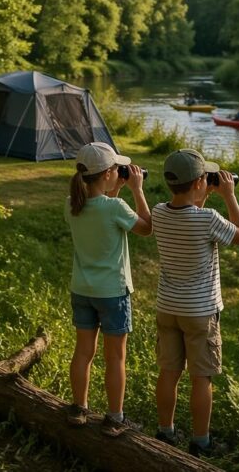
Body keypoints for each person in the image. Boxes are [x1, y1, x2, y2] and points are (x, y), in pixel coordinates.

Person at [151, 149, 239, 456]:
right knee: (201, 377)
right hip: (200, 312)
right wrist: (229, 195)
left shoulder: (158, 212)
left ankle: (165, 432)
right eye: (204, 179)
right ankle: (201, 441)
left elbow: (188, 213)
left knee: (169, 372)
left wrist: (202, 194)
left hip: (168, 308)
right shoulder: (208, 219)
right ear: (197, 183)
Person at [64, 142, 152, 437]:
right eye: (117, 170)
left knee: (83, 352)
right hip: (112, 293)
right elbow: (146, 227)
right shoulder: (115, 207)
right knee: (115, 357)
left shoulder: (72, 204)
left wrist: (116, 189)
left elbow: (102, 212)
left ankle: (79, 408)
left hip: (82, 290)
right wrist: (137, 189)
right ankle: (115, 418)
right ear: (108, 174)